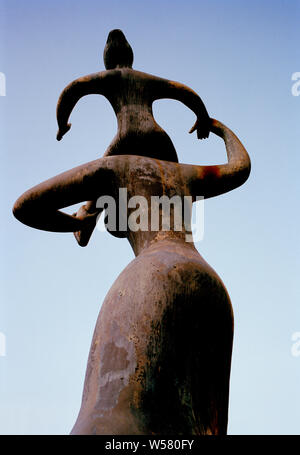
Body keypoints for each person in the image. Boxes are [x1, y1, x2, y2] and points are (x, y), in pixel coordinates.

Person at [13, 118, 250, 434]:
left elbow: (26, 207)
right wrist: (219, 129)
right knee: (197, 426)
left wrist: (80, 221)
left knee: (107, 416)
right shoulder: (187, 174)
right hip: (209, 284)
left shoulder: (117, 166)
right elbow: (240, 167)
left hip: (153, 277)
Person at [55, 29, 212, 246]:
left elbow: (71, 91)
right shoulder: (147, 79)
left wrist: (62, 126)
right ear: (130, 55)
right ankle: (179, 224)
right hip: (158, 139)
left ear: (107, 60)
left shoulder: (108, 77)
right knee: (176, 181)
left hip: (126, 139)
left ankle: (86, 220)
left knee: (102, 176)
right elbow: (185, 93)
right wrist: (202, 119)